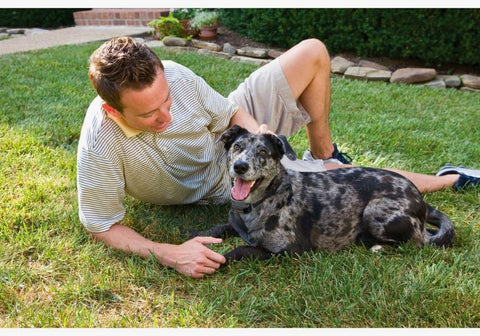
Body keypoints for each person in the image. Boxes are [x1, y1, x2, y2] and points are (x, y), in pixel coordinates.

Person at [77, 36, 479, 279]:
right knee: (338, 178)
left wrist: (261, 137)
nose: (167, 115)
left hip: (239, 148)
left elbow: (230, 114)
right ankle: (334, 167)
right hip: (226, 183)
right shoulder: (101, 141)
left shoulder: (177, 78)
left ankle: (328, 153)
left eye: (166, 100)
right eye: (149, 114)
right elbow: (101, 225)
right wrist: (170, 252)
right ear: (114, 111)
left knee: (312, 52)